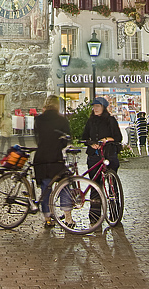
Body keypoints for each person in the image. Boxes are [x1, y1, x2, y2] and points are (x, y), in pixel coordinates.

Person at [81, 97, 123, 227]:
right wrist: (91, 143)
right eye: (94, 106)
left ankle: (114, 213)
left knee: (112, 186)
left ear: (104, 107)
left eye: (98, 106)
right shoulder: (91, 121)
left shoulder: (110, 120)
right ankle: (94, 216)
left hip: (109, 154)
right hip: (94, 156)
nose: (95, 108)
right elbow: (84, 137)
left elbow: (118, 137)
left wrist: (107, 139)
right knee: (95, 185)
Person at [33, 95, 73, 228]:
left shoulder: (38, 119)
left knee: (46, 189)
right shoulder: (62, 120)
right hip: (56, 158)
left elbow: (37, 139)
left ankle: (47, 218)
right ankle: (68, 217)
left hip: (42, 158)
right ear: (57, 105)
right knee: (64, 186)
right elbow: (66, 139)